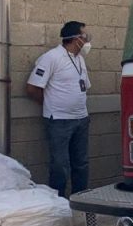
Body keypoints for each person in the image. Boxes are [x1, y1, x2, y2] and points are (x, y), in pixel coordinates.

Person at [26, 21, 92, 198]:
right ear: (75, 39)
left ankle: (80, 200)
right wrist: (51, 105)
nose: (87, 41)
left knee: (81, 164)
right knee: (60, 166)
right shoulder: (52, 57)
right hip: (59, 121)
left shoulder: (80, 60)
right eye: (85, 37)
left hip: (81, 119)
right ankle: (59, 202)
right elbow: (33, 88)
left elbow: (83, 87)